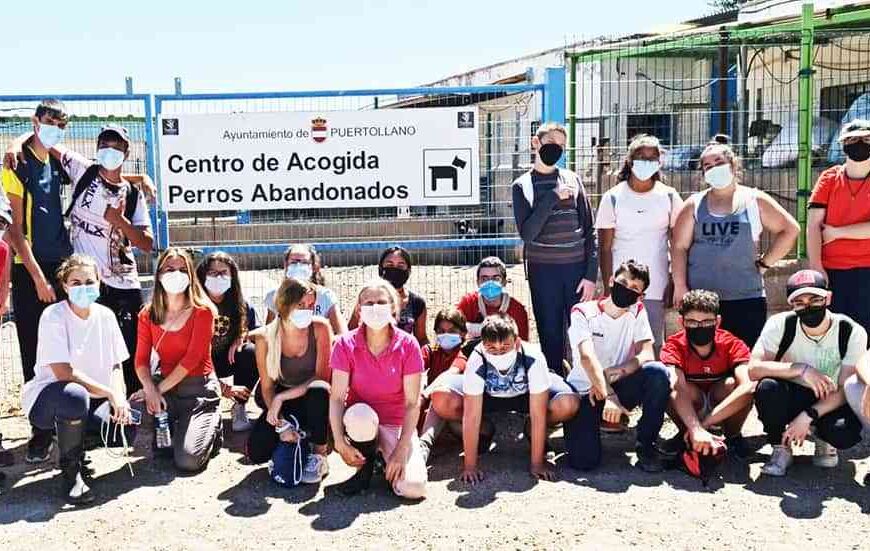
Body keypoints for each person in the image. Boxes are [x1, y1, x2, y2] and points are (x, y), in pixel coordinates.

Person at [21, 255, 134, 504]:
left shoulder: (106, 316)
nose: (83, 287)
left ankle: (76, 442)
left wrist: (119, 397)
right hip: (51, 400)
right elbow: (63, 373)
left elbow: (116, 365)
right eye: (76, 281)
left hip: (94, 397)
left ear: (99, 282)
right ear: (64, 285)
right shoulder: (54, 315)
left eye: (89, 281)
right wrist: (109, 393)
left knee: (129, 423)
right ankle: (71, 473)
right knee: (74, 396)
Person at [672, 139, 799, 348]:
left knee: (745, 359)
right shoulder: (694, 205)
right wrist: (680, 286)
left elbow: (790, 229)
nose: (714, 168)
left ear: (733, 164)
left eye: (719, 162)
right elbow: (679, 247)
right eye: (708, 166)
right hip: (702, 304)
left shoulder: (754, 200)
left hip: (746, 298)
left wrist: (766, 262)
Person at [1, 99, 73, 463]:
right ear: (35, 121)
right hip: (30, 270)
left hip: (61, 264)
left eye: (61, 123)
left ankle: (70, 424)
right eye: (49, 121)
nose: (54, 127)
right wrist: (37, 277)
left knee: (66, 347)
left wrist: (142, 178)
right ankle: (40, 431)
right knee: (34, 351)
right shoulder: (17, 163)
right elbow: (14, 229)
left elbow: (96, 172)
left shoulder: (56, 159)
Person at [426, 314, 578, 483]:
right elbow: (471, 416)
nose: (499, 353)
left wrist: (537, 464)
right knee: (441, 398)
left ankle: (531, 432)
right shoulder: (477, 359)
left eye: (505, 347)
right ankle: (485, 431)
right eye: (492, 349)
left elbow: (538, 414)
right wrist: (470, 467)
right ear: (483, 346)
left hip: (527, 395)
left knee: (568, 403)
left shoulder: (533, 357)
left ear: (517, 342)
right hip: (488, 396)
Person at [749, 269, 866, 477]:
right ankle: (780, 446)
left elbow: (845, 388)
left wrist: (808, 415)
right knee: (768, 387)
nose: (808, 307)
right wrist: (801, 369)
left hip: (829, 397)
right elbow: (754, 368)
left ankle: (823, 437)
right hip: (793, 391)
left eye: (815, 299)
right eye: (800, 302)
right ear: (791, 304)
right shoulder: (780, 324)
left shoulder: (850, 331)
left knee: (844, 432)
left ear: (828, 298)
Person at [562, 260, 673, 472]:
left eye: (634, 288)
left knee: (658, 373)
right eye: (623, 282)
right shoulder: (583, 311)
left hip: (620, 384)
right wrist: (608, 394)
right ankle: (595, 423)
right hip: (587, 390)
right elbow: (587, 356)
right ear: (611, 281)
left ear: (641, 296)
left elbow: (647, 353)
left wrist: (621, 370)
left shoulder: (637, 310)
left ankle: (646, 444)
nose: (627, 290)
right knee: (583, 462)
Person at [512, 122, 597, 375]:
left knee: (580, 333)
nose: (556, 149)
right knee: (550, 333)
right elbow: (528, 233)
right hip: (543, 271)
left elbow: (590, 229)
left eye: (561, 146)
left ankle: (583, 389)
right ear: (535, 143)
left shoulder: (573, 179)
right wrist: (552, 197)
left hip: (576, 272)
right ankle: (555, 388)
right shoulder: (523, 185)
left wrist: (591, 275)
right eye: (551, 144)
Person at [329, 279, 427, 498]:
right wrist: (339, 441)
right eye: (369, 302)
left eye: (381, 302)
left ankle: (386, 458)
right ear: (358, 309)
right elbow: (336, 397)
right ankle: (365, 468)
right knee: (359, 416)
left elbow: (413, 403)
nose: (375, 307)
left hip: (397, 424)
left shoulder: (409, 345)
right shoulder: (345, 344)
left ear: (394, 307)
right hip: (361, 422)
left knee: (413, 489)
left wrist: (402, 451)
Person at [130, 247, 221, 473]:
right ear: (159, 274)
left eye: (183, 269)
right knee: (133, 408)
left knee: (188, 461)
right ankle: (172, 426)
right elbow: (140, 360)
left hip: (198, 389)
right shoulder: (147, 314)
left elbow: (191, 360)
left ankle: (212, 425)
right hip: (166, 386)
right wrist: (149, 388)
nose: (176, 274)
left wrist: (155, 390)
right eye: (170, 268)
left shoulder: (203, 312)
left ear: (191, 276)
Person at [596, 134, 683, 348]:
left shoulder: (670, 197)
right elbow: (605, 248)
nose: (646, 161)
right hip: (621, 286)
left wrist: (674, 280)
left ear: (659, 162)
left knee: (652, 345)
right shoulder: (613, 197)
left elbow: (679, 245)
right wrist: (609, 290)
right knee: (619, 345)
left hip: (656, 287)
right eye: (640, 156)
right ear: (629, 160)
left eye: (652, 157)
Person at [245, 277, 332, 484]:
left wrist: (281, 398)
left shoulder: (320, 328)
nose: (306, 310)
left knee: (319, 390)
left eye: (311, 305)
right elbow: (266, 386)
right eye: (300, 304)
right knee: (256, 452)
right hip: (284, 399)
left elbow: (321, 376)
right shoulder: (266, 337)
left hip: (311, 396)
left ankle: (320, 453)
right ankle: (295, 440)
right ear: (284, 304)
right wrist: (281, 424)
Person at [661, 289, 754, 458]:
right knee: (668, 385)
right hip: (691, 403)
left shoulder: (731, 343)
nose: (699, 327)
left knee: (734, 385)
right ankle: (685, 433)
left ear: (717, 322)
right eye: (692, 322)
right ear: (682, 322)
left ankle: (732, 436)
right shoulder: (674, 345)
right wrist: (694, 427)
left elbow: (748, 386)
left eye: (706, 322)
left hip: (720, 404)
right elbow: (677, 388)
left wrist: (703, 425)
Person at [807, 119, 870, 334]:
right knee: (835, 333)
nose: (860, 143)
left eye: (866, 139)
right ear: (843, 144)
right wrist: (816, 266)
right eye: (853, 139)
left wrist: (836, 232)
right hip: (832, 270)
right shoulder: (829, 178)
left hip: (867, 268)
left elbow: (825, 230)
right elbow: (814, 226)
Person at [196, 251, 259, 432]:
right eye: (212, 273)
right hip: (201, 363)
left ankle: (239, 405)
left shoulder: (242, 305)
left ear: (232, 276)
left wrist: (242, 335)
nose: (218, 277)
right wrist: (222, 387)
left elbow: (258, 331)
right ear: (202, 276)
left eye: (223, 273)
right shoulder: (194, 305)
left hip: (228, 360)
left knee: (251, 351)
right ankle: (204, 404)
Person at [348, 246, 428, 346]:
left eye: (400, 266)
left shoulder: (417, 303)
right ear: (380, 269)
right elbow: (351, 333)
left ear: (408, 271)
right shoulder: (367, 298)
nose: (395, 269)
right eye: (389, 265)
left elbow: (421, 339)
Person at [418, 307, 468, 462]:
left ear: (463, 333)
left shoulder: (465, 353)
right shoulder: (430, 351)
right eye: (441, 331)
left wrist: (424, 395)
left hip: (457, 414)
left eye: (452, 331)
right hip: (433, 412)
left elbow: (449, 374)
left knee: (440, 395)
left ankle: (423, 447)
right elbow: (414, 371)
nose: (446, 335)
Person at [264, 243, 347, 335]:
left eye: (304, 262)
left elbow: (342, 334)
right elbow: (269, 334)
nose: (298, 266)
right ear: (286, 265)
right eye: (294, 262)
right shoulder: (274, 296)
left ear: (314, 266)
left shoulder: (325, 296)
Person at [455, 256, 530, 342]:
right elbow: (452, 327)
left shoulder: (517, 309)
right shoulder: (468, 302)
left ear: (504, 282)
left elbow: (522, 345)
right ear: (478, 282)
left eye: (496, 278)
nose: (490, 283)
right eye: (484, 278)